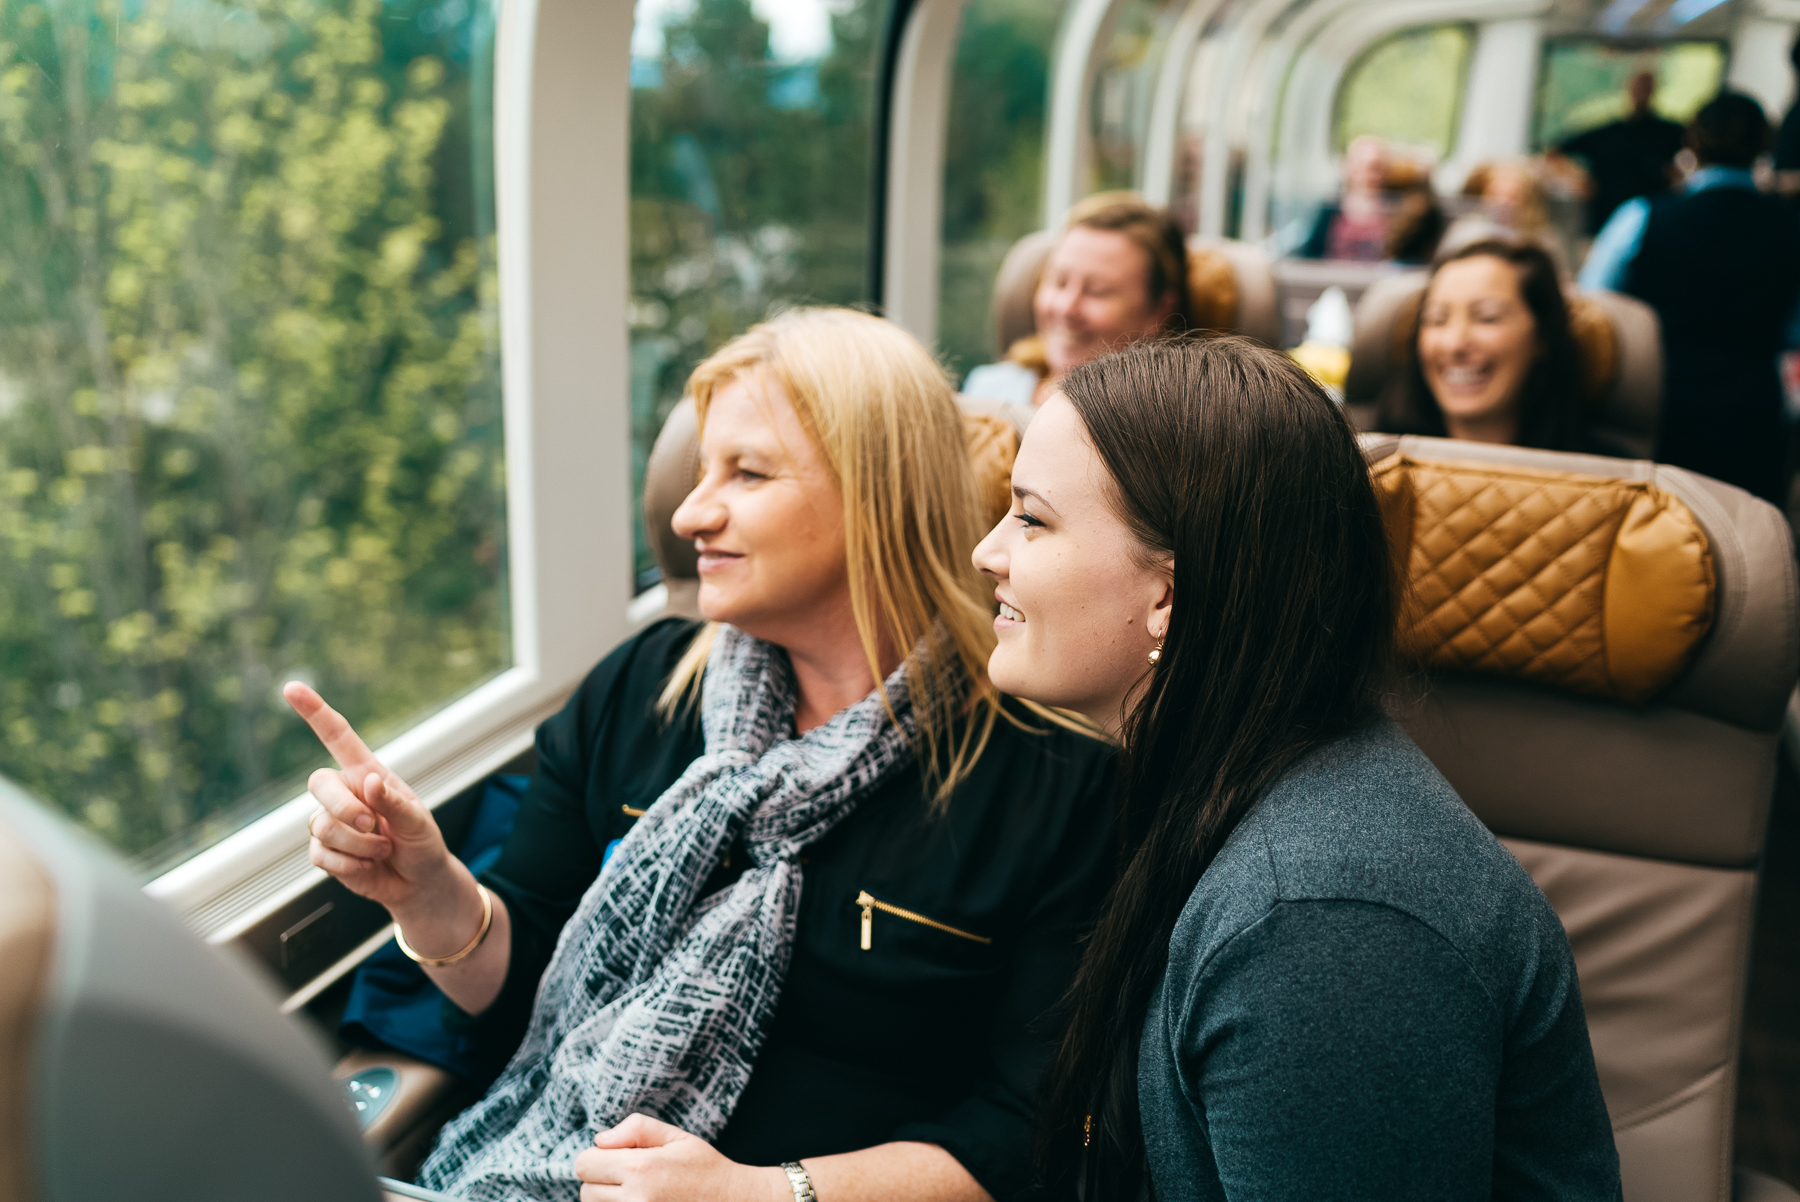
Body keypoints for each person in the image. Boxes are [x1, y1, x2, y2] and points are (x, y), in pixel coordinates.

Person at [287, 307, 1115, 1202]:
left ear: (877, 490)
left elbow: (1028, 1128)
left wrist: (761, 1196)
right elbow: (532, 998)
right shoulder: (640, 693)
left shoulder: (1053, 775)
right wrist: (431, 894)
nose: (689, 513)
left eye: (747, 473)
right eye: (699, 471)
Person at [971, 337, 1622, 1200]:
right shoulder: (1231, 784)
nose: (987, 551)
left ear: (1169, 594)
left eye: (1032, 517)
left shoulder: (1321, 922)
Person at [1580, 92, 1800, 504]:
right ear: (1764, 147)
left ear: (1692, 144)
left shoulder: (1643, 217)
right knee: (1746, 538)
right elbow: (1794, 331)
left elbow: (1595, 315)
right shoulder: (1791, 230)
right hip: (1751, 407)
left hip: (1655, 403)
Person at [962, 192, 1212, 409]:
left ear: (1160, 313)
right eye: (1059, 282)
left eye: (1098, 291)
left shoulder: (1170, 432)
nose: (1065, 308)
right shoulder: (987, 391)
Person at [1379, 239, 1605, 452]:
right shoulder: (1373, 468)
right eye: (1437, 319)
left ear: (1542, 335)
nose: (1454, 343)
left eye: (1487, 317)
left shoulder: (1610, 480)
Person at [1554, 70, 1685, 235]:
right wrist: (1578, 179)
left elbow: (1691, 163)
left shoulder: (1672, 132)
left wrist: (1676, 176)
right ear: (1628, 88)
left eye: (1646, 87)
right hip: (1604, 219)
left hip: (1652, 223)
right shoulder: (1605, 133)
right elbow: (1555, 151)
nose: (1641, 92)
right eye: (1638, 86)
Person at [1296, 135, 1395, 261]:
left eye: (1375, 168)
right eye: (1361, 166)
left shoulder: (1395, 212)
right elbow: (1310, 256)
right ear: (1349, 167)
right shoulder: (1329, 210)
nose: (1368, 176)